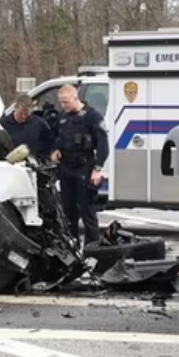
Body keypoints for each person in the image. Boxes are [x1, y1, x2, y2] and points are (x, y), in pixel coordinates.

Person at [50, 84, 109, 245]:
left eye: (66, 102)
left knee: (87, 211)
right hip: (66, 168)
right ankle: (71, 245)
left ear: (76, 98)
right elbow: (57, 138)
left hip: (85, 167)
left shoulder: (92, 116)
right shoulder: (62, 117)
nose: (63, 106)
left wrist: (97, 169)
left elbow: (103, 145)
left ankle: (92, 249)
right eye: (61, 102)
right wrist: (55, 150)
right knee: (68, 211)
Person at [0, 93, 53, 160]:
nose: (23, 116)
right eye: (21, 113)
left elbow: (49, 143)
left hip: (33, 165)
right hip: (10, 165)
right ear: (15, 108)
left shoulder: (40, 124)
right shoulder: (3, 124)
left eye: (26, 114)